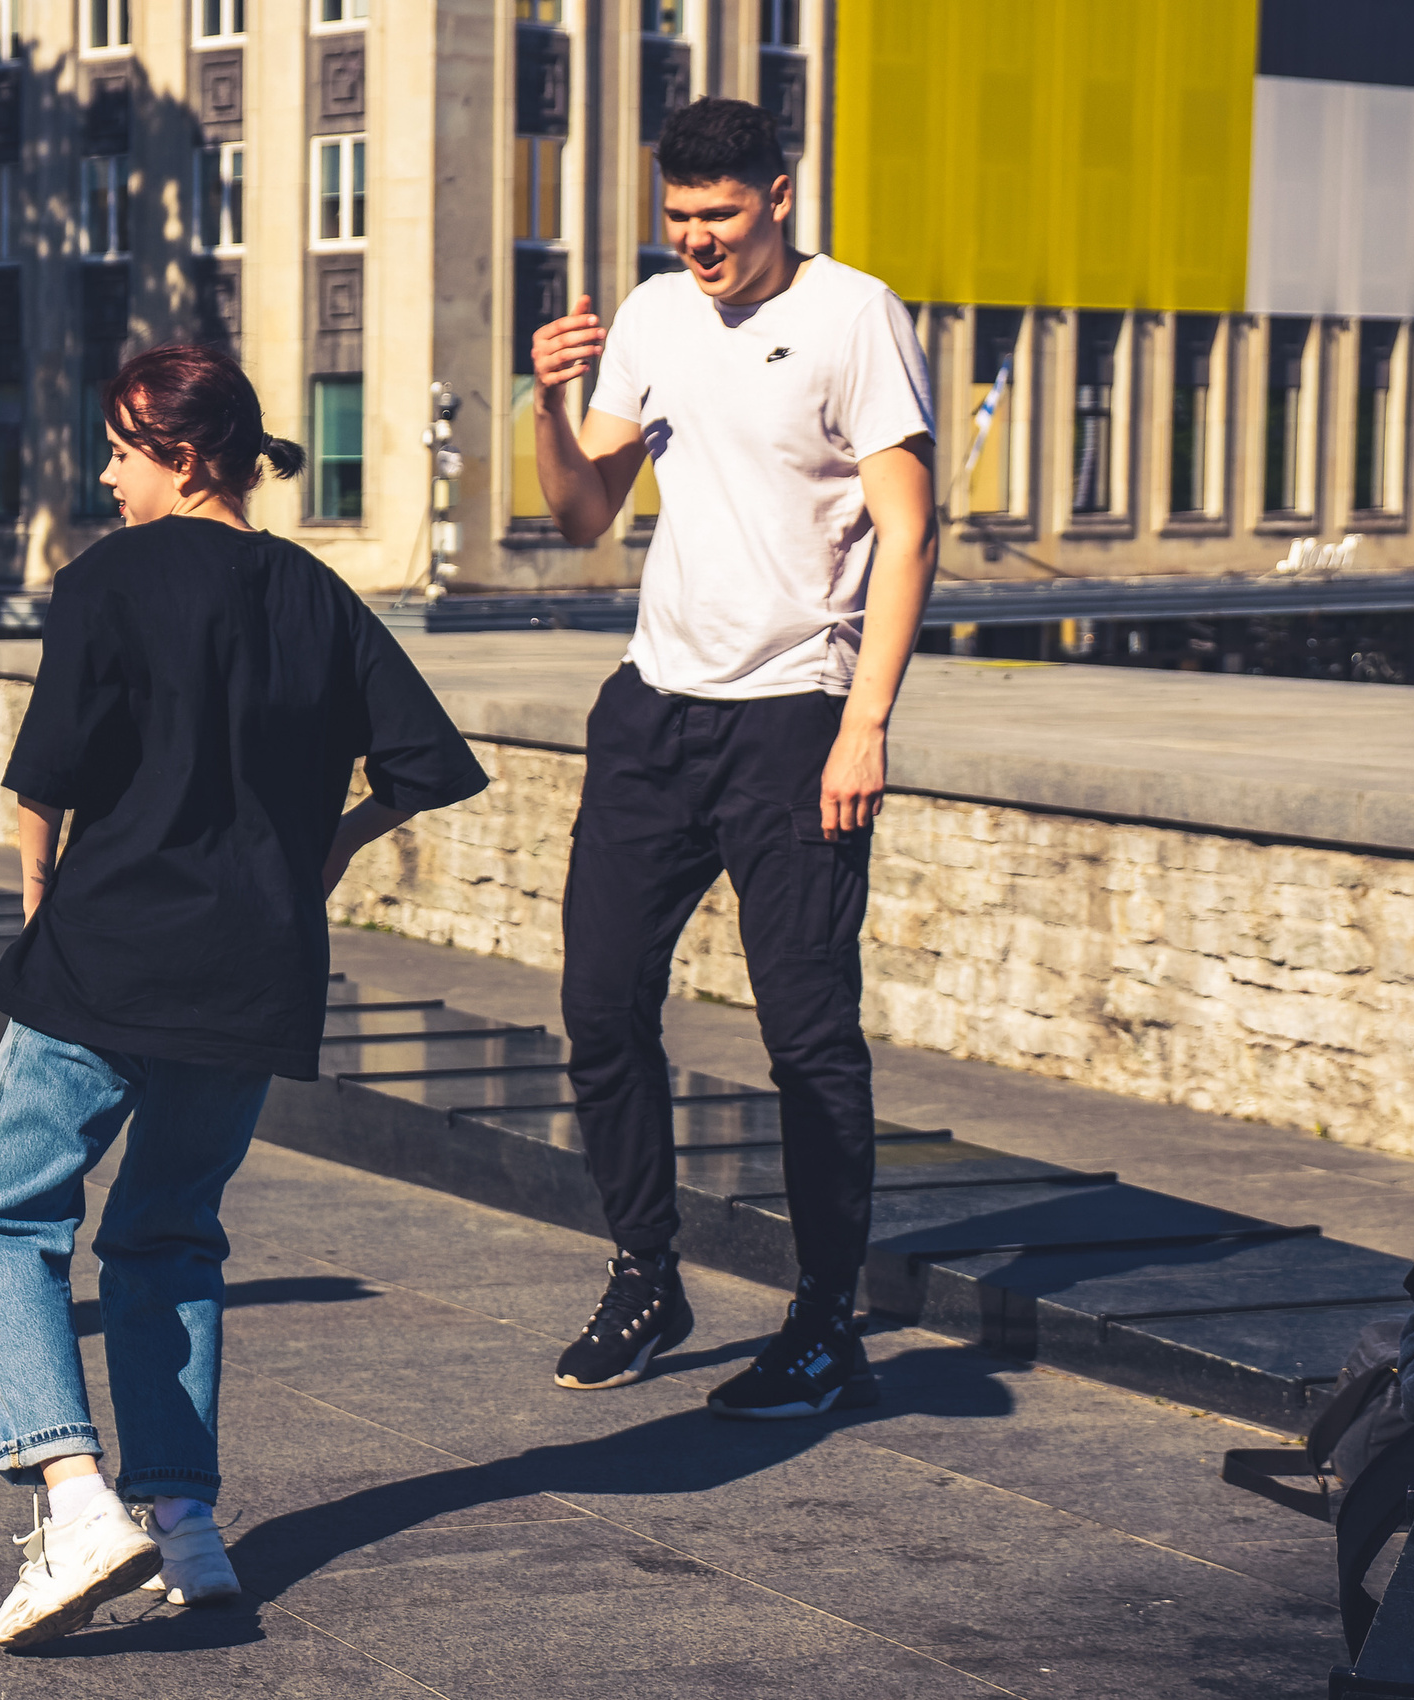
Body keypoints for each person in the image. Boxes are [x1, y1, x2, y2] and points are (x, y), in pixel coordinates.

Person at [0, 343, 488, 1650]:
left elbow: (46, 779)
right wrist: (332, 848)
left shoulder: (105, 583)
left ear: (183, 455)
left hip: (113, 954)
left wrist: (38, 900)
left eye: (122, 449)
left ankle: (75, 1498)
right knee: (169, 1235)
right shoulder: (318, 596)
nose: (107, 473)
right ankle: (185, 1527)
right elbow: (424, 764)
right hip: (254, 971)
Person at [526, 98, 938, 1416]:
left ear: (778, 191)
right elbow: (586, 513)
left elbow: (911, 527)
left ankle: (827, 1324)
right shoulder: (651, 317)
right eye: (680, 218)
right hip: (654, 710)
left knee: (808, 1039)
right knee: (600, 1008)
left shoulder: (853, 315)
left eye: (722, 215)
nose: (698, 241)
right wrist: (547, 401)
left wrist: (865, 719)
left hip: (795, 719)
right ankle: (649, 1270)